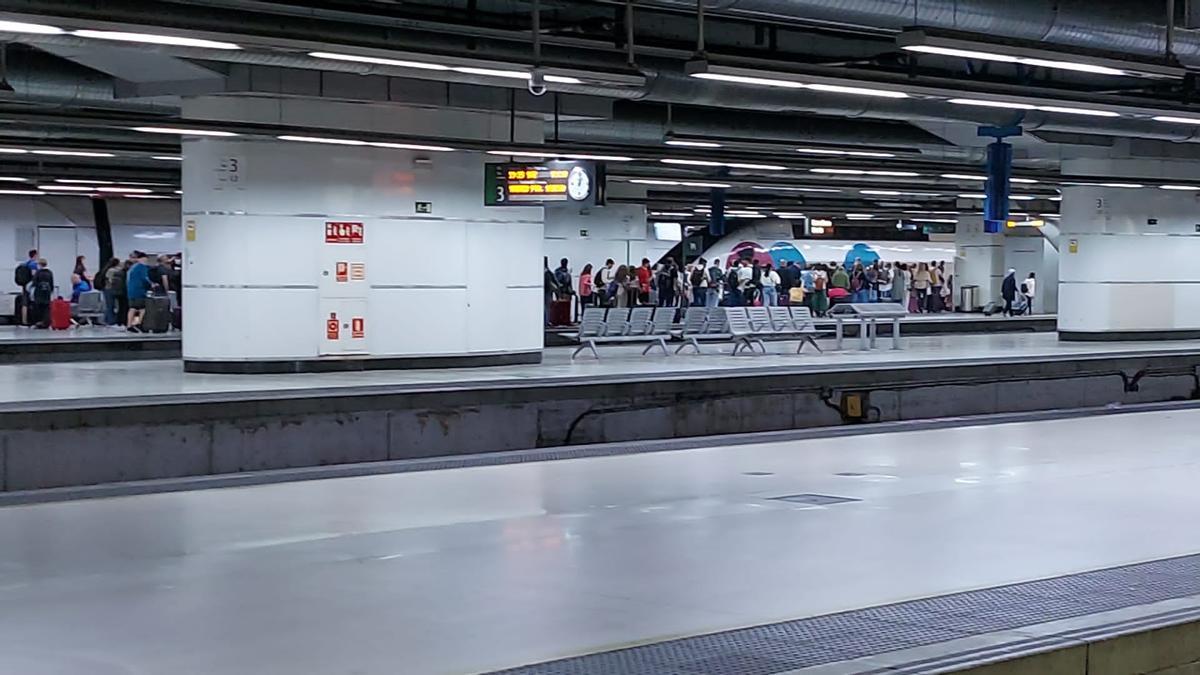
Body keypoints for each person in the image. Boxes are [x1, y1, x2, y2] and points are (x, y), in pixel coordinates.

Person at [126, 252, 153, 332]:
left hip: (131, 290)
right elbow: (145, 278)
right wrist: (152, 284)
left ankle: (129, 325)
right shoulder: (142, 267)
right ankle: (139, 324)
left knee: (132, 308)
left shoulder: (132, 267)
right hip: (140, 290)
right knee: (143, 308)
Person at [30, 258, 53, 328]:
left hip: (39, 293)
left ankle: (38, 323)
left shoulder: (38, 273)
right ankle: (46, 323)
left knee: (38, 308)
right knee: (46, 309)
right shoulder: (50, 272)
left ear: (40, 264)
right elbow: (51, 284)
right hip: (47, 293)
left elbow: (34, 283)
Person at [98, 256, 121, 325]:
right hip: (110, 289)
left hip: (106, 289)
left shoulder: (106, 269)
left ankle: (107, 320)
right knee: (110, 306)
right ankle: (111, 321)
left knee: (109, 306)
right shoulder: (112, 270)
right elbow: (110, 280)